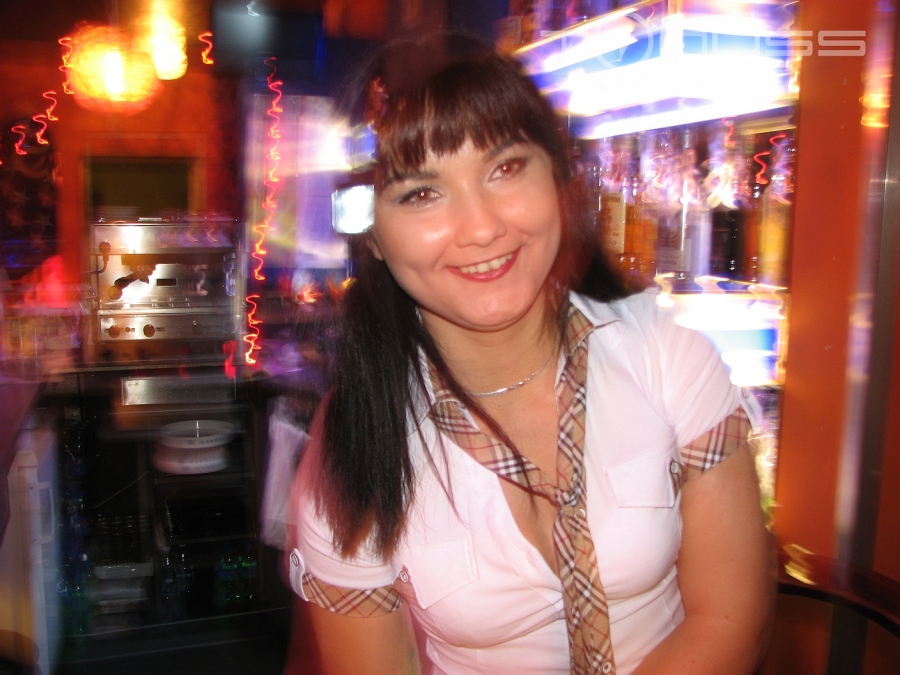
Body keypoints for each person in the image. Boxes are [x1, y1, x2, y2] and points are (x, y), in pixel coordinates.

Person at [285, 42, 775, 675]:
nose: (481, 227)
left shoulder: (666, 354)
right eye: (421, 193)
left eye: (506, 168)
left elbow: (728, 622)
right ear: (372, 233)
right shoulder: (354, 442)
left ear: (558, 180)